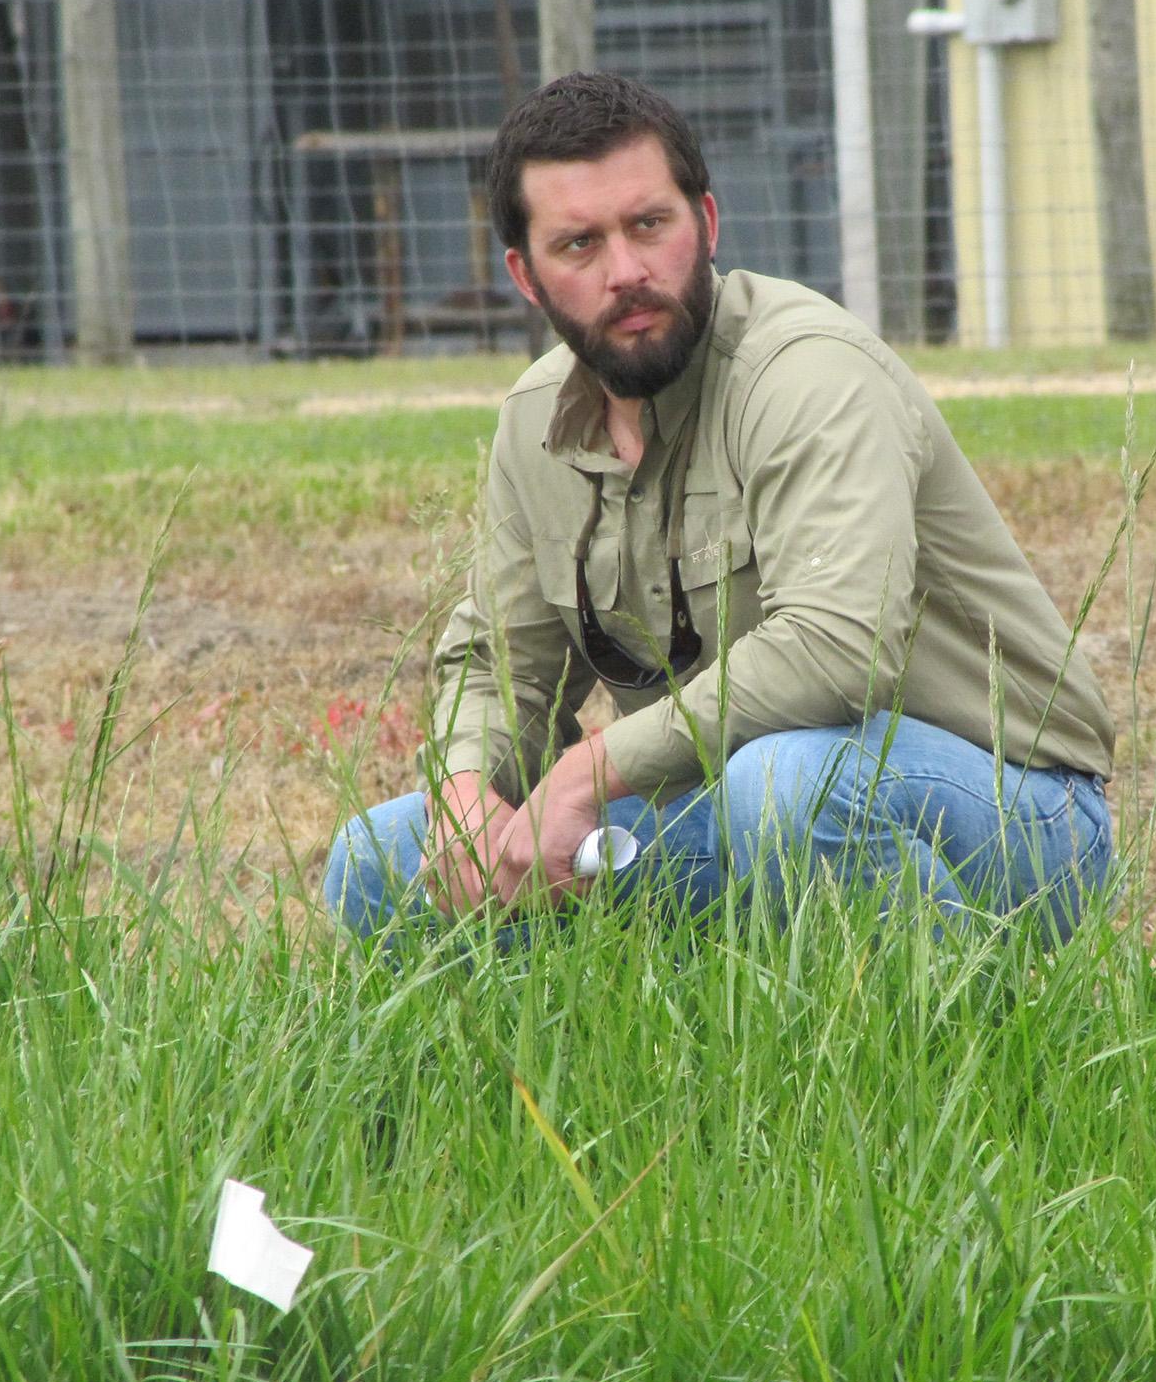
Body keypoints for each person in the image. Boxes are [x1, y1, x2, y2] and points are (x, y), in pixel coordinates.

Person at [323, 72, 1115, 944]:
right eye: (579, 245)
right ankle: (556, 1075)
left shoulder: (808, 371)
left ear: (706, 220)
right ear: (526, 274)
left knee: (784, 783)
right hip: (726, 807)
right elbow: (498, 664)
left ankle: (926, 1048)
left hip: (1015, 815)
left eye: (648, 225)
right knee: (381, 856)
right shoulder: (533, 422)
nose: (626, 271)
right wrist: (468, 793)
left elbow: (840, 649)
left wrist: (587, 773)